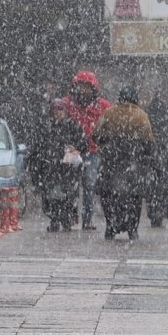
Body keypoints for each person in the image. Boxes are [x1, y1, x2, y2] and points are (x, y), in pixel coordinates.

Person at [93, 85, 155, 241]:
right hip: (133, 163)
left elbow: (96, 135)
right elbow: (149, 143)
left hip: (111, 163)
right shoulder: (141, 116)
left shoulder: (109, 113)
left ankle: (110, 225)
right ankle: (132, 228)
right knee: (135, 197)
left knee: (107, 193)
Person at [27, 100, 87, 232]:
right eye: (55, 109)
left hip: (68, 170)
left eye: (60, 109)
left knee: (68, 196)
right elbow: (36, 147)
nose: (58, 112)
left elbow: (83, 144)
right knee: (49, 197)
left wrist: (75, 148)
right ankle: (55, 218)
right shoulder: (44, 127)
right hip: (49, 169)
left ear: (65, 111)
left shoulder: (73, 126)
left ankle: (66, 219)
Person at [63, 70, 111, 231]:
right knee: (71, 185)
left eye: (87, 87)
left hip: (92, 151)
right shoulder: (67, 104)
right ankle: (71, 215)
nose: (84, 90)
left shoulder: (103, 106)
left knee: (89, 184)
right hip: (73, 151)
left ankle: (87, 217)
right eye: (81, 86)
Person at [145, 92, 168, 227]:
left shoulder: (147, 115)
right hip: (165, 155)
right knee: (166, 184)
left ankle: (154, 211)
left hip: (153, 154)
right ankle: (165, 209)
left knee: (153, 186)